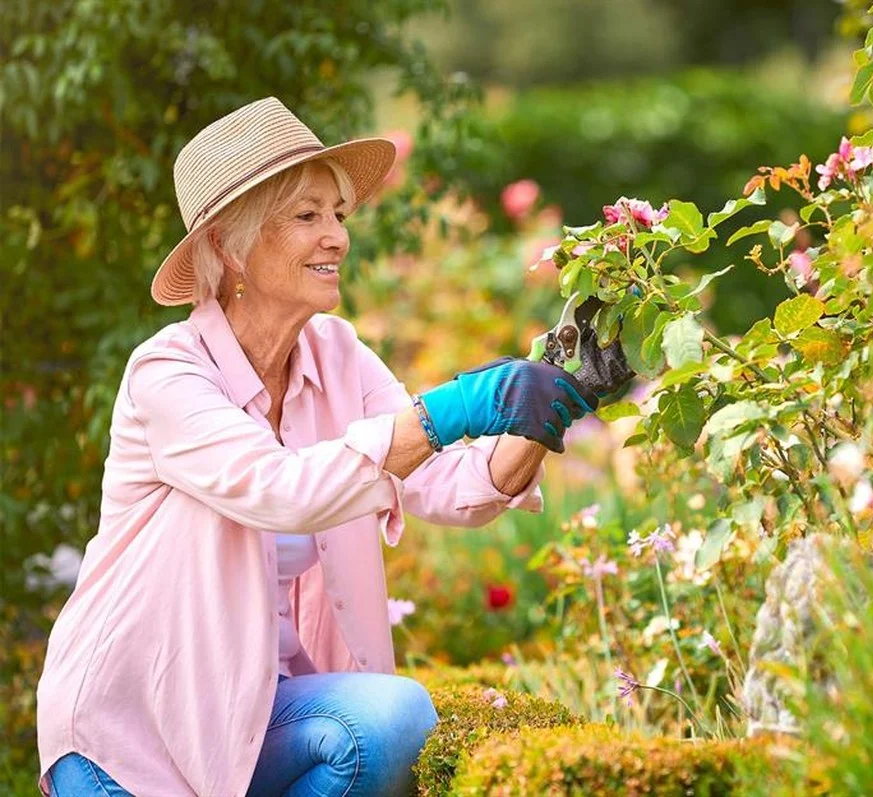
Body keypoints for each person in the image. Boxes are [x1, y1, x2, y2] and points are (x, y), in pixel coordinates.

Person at [35, 97, 604, 797]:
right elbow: (282, 490)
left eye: (338, 214)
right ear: (227, 244)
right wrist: (460, 405)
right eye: (308, 216)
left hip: (246, 713)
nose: (336, 236)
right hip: (128, 733)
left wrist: (543, 405)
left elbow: (455, 488)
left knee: (392, 717)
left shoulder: (337, 353)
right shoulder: (168, 374)